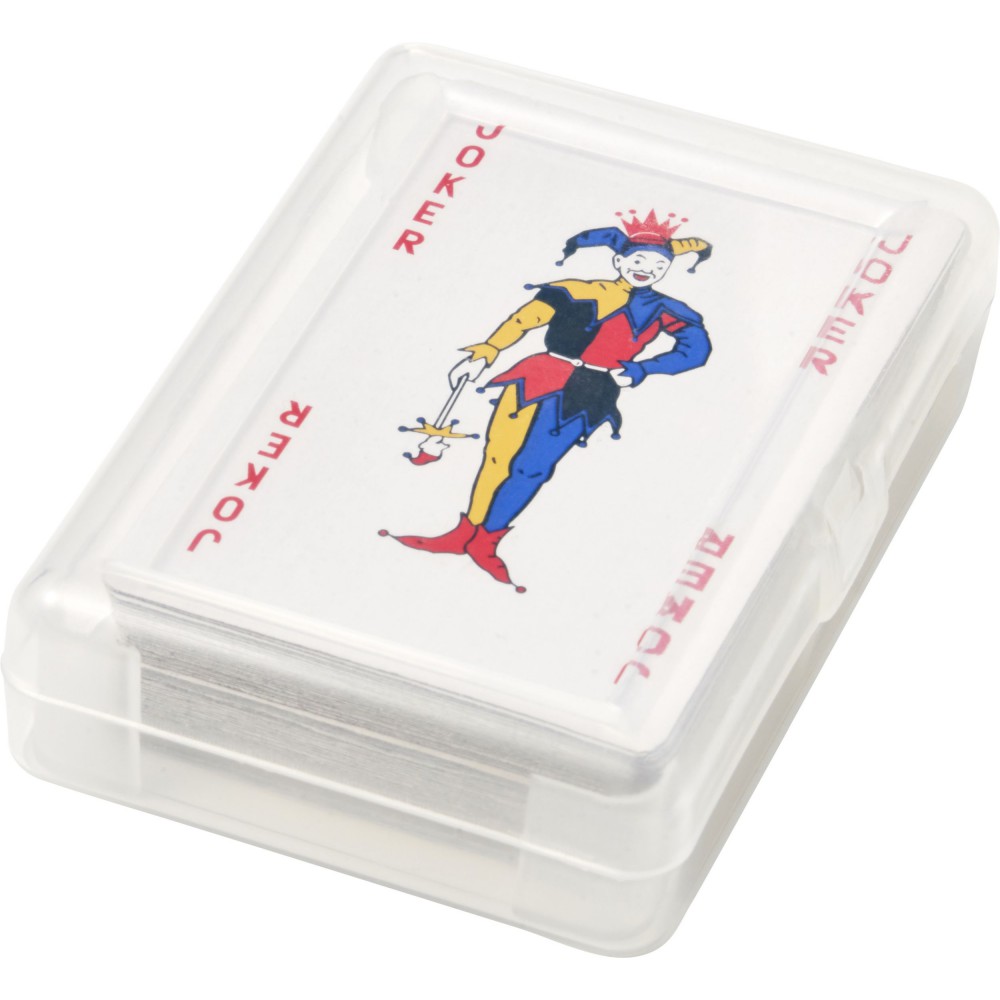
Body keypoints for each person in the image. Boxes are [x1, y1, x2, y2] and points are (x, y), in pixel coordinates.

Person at [382, 210, 713, 592]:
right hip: (537, 374)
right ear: (619, 261)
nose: (646, 270)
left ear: (666, 270)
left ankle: (486, 542)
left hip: (589, 391)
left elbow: (696, 350)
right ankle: (464, 533)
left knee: (532, 468)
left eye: (658, 266)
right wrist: (488, 350)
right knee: (497, 456)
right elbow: (525, 320)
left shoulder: (665, 309)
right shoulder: (576, 290)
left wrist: (643, 369)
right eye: (638, 260)